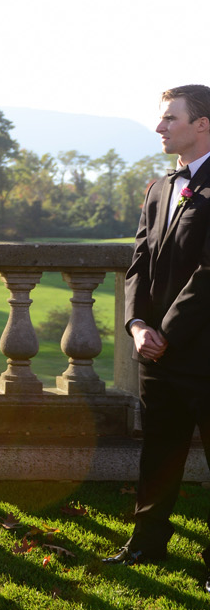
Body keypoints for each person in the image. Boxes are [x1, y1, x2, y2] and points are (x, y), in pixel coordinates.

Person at [105, 83, 210, 584]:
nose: (160, 126)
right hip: (157, 353)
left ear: (202, 124)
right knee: (159, 452)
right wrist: (136, 324)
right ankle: (145, 544)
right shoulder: (160, 188)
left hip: (204, 353)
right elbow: (137, 264)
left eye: (171, 118)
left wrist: (163, 330)